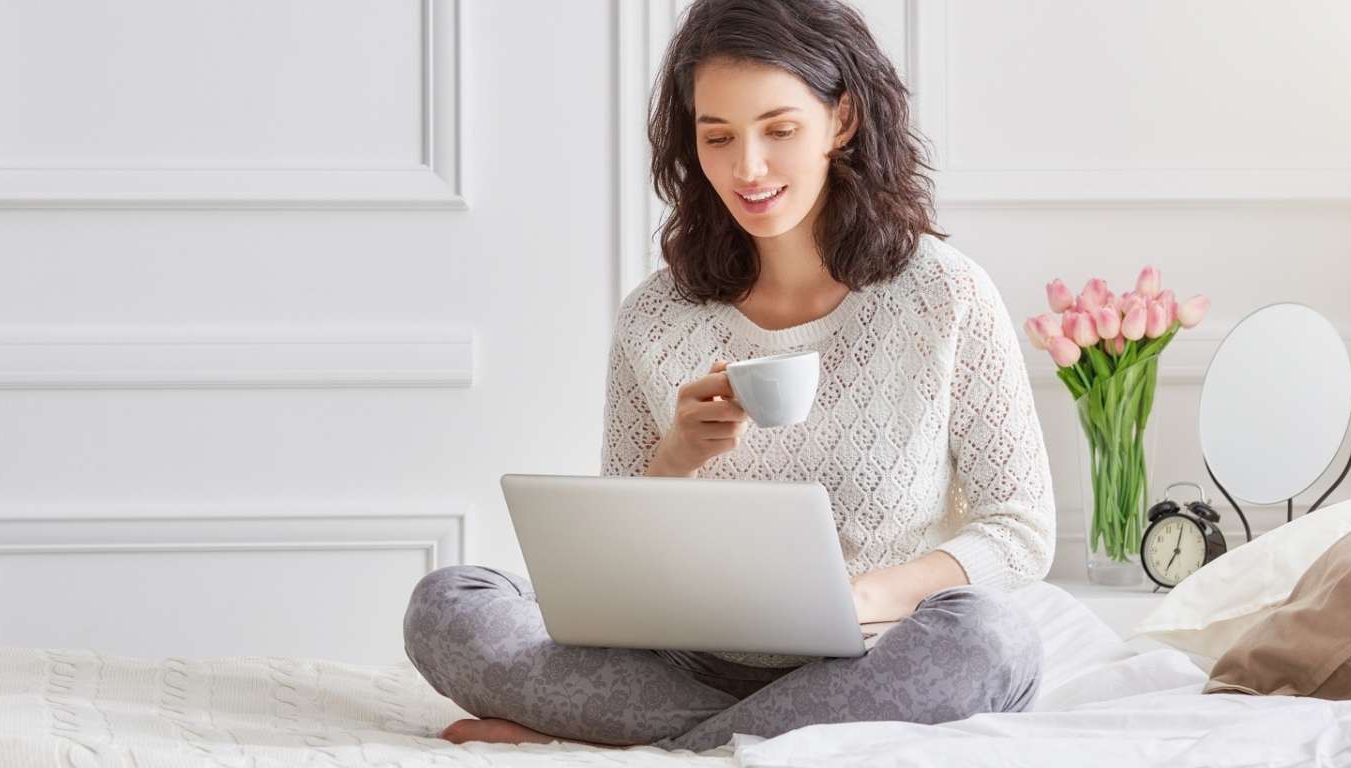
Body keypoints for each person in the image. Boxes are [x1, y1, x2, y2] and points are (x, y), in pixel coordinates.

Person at [403, 0, 1054, 752]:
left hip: (876, 658)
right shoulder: (655, 316)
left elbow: (1020, 528)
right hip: (683, 663)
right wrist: (675, 458)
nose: (747, 169)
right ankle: (741, 739)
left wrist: (863, 598)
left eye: (779, 130)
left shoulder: (943, 295)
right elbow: (615, 566)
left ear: (841, 120)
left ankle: (647, 744)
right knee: (446, 604)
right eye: (717, 137)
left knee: (992, 641)